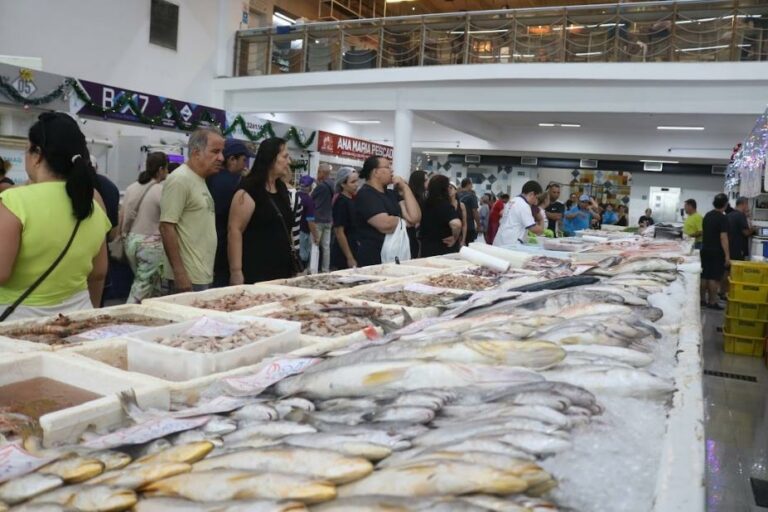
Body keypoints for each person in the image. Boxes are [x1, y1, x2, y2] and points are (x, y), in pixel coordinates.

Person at [0, 112, 111, 320]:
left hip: (19, 322)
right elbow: (98, 273)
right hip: (78, 315)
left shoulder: (13, 201)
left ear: (37, 154)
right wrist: (91, 312)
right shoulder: (92, 203)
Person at [160, 128, 223, 293]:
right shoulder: (180, 179)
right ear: (196, 153)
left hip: (201, 274)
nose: (221, 158)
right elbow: (166, 227)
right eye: (215, 151)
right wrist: (180, 273)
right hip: (188, 277)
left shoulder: (200, 180)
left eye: (221, 152)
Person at [229, 137, 298, 284]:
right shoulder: (249, 190)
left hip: (282, 271)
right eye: (285, 156)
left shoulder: (281, 188)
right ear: (271, 158)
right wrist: (236, 271)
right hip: (256, 271)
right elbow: (235, 230)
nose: (289, 162)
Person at [353, 156, 421, 267]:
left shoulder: (391, 194)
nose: (392, 170)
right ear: (376, 172)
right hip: (374, 259)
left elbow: (415, 217)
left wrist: (405, 187)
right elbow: (385, 224)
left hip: (394, 257)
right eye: (388, 167)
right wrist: (404, 222)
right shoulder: (366, 194)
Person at [120, 152, 168, 303]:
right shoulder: (160, 190)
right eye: (166, 169)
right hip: (150, 245)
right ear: (160, 169)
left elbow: (122, 215)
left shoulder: (131, 188)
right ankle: (127, 313)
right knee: (142, 287)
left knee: (152, 288)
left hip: (130, 241)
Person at [207, 139, 252, 288]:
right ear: (232, 159)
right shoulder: (236, 183)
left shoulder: (209, 178)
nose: (245, 166)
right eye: (244, 160)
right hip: (226, 248)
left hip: (208, 245)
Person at [700, 193, 731, 310]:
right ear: (726, 204)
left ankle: (702, 300)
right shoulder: (723, 218)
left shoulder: (707, 215)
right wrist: (727, 255)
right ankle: (712, 302)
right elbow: (723, 237)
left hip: (705, 249)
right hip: (716, 252)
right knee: (713, 278)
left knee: (704, 276)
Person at [420, 175, 462, 257]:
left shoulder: (425, 204)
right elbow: (456, 224)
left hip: (427, 248)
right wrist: (455, 238)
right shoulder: (445, 205)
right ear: (444, 189)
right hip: (443, 249)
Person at [494, 181, 545, 246]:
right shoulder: (524, 205)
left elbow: (501, 213)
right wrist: (542, 221)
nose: (536, 201)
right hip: (510, 243)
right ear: (531, 194)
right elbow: (535, 229)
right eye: (537, 197)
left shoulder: (512, 200)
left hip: (500, 240)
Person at [331, 167, 360, 270]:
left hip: (353, 247)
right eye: (353, 182)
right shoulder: (341, 202)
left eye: (357, 181)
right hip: (344, 252)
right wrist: (349, 257)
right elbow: (339, 232)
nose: (356, 185)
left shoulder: (352, 199)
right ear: (343, 184)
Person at [311, 163, 334, 273]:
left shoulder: (320, 186)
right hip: (329, 219)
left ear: (323, 173)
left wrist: (315, 185)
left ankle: (313, 269)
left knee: (315, 245)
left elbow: (311, 197)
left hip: (318, 219)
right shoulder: (333, 185)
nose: (317, 174)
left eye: (318, 171)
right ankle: (325, 269)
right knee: (326, 247)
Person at [297, 175, 319, 269]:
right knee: (303, 258)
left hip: (293, 230)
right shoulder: (309, 201)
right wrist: (316, 236)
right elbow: (310, 221)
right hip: (303, 232)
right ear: (310, 187)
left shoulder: (295, 196)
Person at [727, 197, 757, 261]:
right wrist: (754, 229)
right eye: (747, 204)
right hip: (739, 249)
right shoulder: (740, 215)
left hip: (730, 248)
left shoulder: (729, 215)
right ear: (744, 204)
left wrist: (748, 217)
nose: (748, 206)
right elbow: (746, 233)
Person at [407, 170, 428, 258]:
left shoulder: (423, 196)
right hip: (412, 233)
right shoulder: (413, 198)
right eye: (425, 180)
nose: (428, 182)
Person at [457, 178, 480, 245]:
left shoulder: (456, 195)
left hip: (457, 224)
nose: (472, 186)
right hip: (469, 225)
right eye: (471, 184)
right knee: (467, 246)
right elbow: (475, 212)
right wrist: (478, 225)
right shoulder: (472, 196)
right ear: (468, 184)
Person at [448, 181, 467, 252]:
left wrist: (463, 240)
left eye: (451, 188)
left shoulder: (461, 205)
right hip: (447, 236)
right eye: (447, 188)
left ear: (456, 190)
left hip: (458, 237)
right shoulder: (444, 205)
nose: (449, 190)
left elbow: (464, 224)